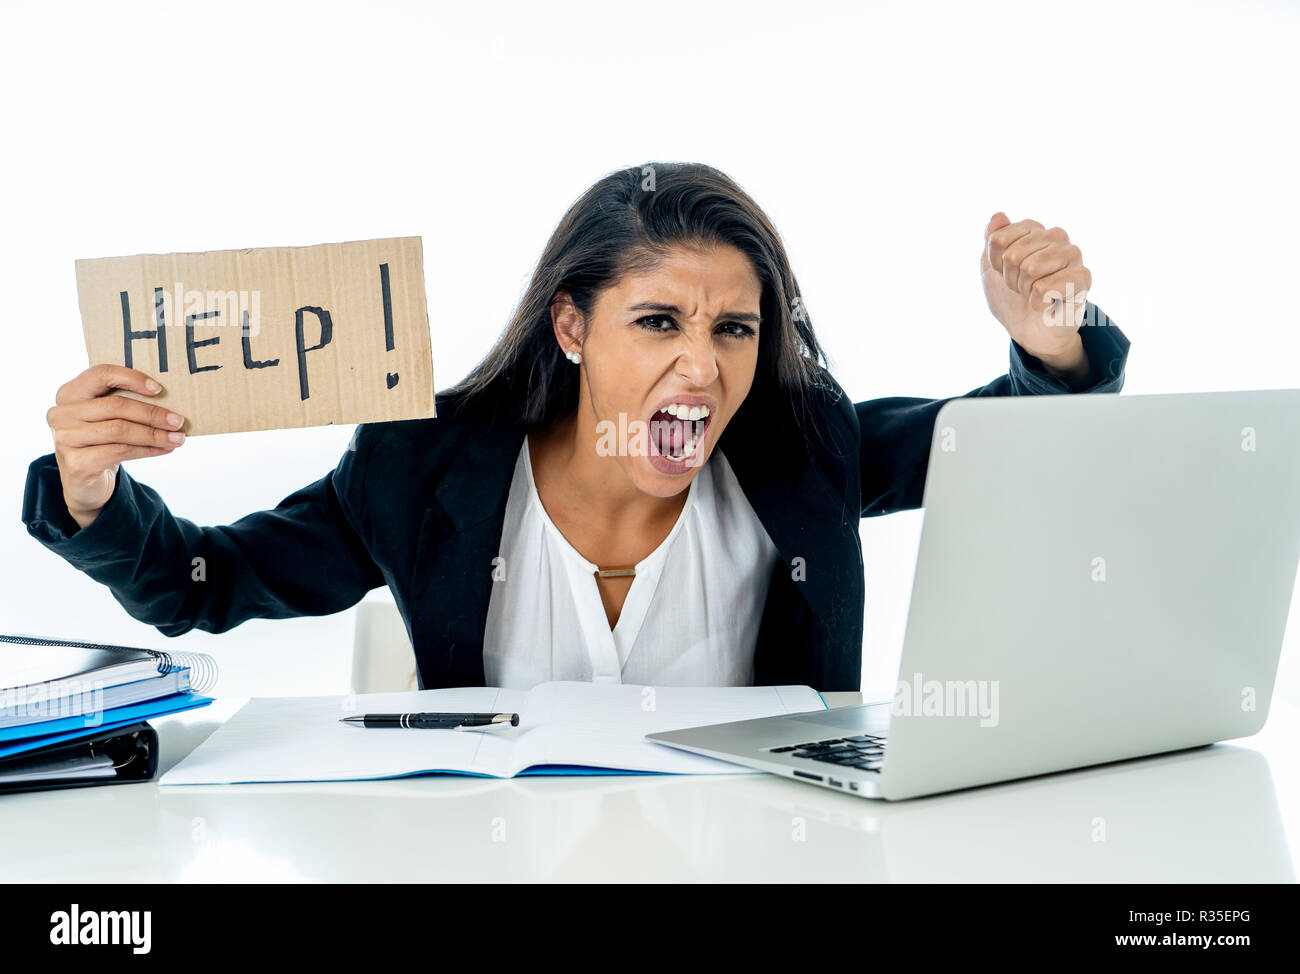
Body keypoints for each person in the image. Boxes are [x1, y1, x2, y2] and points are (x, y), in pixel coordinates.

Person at [24, 162, 1129, 691]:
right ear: (570, 324)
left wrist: (1053, 335)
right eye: (657, 321)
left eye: (734, 328)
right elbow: (203, 581)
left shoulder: (803, 448)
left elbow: (1004, 442)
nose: (702, 364)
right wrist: (90, 490)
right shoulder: (424, 467)